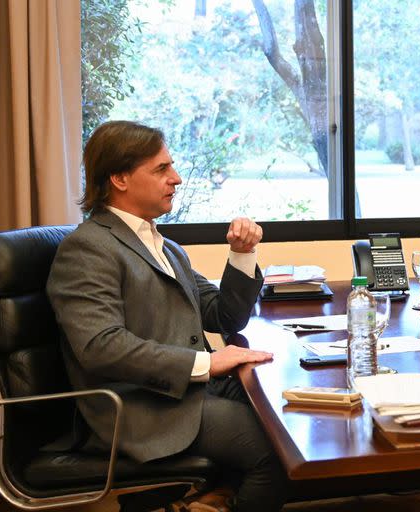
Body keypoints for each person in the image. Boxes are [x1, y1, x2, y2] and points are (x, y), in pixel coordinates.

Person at [47, 121, 286, 511]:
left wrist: (243, 254)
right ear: (120, 178)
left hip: (182, 393)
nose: (176, 178)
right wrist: (207, 363)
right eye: (161, 169)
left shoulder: (166, 246)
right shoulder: (87, 248)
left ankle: (212, 499)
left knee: (284, 414)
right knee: (275, 452)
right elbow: (100, 347)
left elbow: (223, 317)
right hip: (138, 407)